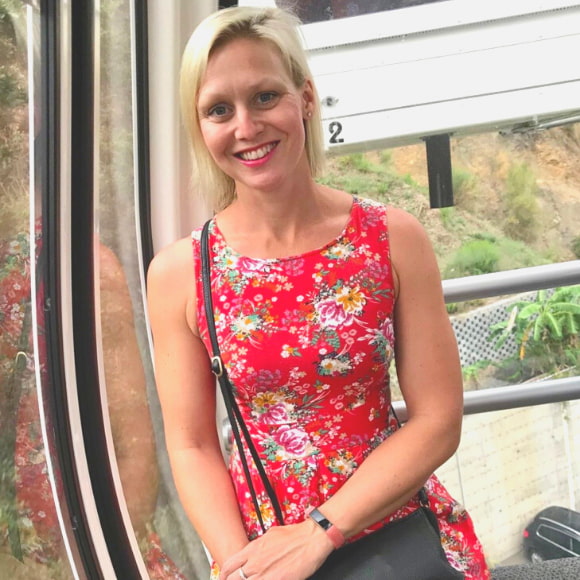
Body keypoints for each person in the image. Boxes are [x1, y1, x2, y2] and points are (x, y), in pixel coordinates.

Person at [147, 6, 490, 580]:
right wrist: (242, 567)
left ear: (304, 98)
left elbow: (437, 419)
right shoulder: (182, 272)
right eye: (219, 110)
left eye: (264, 97)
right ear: (200, 127)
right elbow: (192, 445)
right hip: (264, 550)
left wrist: (321, 533)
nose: (247, 128)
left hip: (393, 530)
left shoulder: (391, 239)